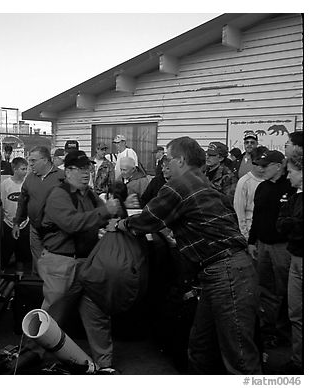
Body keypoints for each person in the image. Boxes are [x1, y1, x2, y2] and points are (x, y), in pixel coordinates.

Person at [116, 136, 262, 374]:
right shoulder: (204, 183)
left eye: (168, 159)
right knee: (200, 346)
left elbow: (147, 219)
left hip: (226, 273)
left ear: (181, 160)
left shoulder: (179, 186)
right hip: (220, 272)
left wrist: (119, 224)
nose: (165, 164)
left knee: (240, 357)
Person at [38, 150, 121, 372]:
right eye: (81, 168)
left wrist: (113, 217)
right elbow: (72, 224)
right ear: (69, 170)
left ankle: (104, 365)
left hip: (85, 263)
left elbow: (100, 218)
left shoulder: (90, 195)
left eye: (88, 168)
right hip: (61, 264)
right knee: (52, 318)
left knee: (97, 313)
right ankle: (34, 361)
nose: (86, 173)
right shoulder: (59, 194)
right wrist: (105, 213)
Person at [247, 150, 296, 350]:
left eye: (265, 166)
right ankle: (268, 330)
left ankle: (285, 332)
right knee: (265, 289)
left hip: (282, 246)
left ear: (279, 165)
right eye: (259, 165)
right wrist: (251, 241)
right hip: (262, 244)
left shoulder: (291, 187)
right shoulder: (262, 188)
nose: (261, 169)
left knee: (284, 291)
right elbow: (256, 217)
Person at [13, 146, 65, 275]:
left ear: (45, 160)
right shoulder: (30, 178)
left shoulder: (62, 177)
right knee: (38, 263)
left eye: (33, 161)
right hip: (35, 229)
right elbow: (23, 201)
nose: (30, 164)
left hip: (56, 232)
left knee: (54, 264)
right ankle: (37, 287)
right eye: (29, 161)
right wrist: (17, 222)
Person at [275, 148, 303, 374]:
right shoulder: (294, 197)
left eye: (292, 172)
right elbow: (281, 223)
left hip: (302, 258)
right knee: (296, 313)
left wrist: (293, 223)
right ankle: (299, 359)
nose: (288, 176)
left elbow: (291, 225)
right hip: (296, 256)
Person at [0, 157, 31, 273]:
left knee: (22, 254)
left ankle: (20, 277)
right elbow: (1, 203)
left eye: (26, 169)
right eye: (22, 169)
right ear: (15, 169)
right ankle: (1, 274)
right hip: (8, 223)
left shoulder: (27, 184)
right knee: (5, 252)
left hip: (25, 223)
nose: (25, 171)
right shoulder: (5, 184)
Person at [233, 146, 268, 239]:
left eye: (264, 164)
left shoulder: (270, 180)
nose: (261, 167)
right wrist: (245, 235)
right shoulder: (244, 182)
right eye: (257, 163)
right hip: (250, 232)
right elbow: (239, 211)